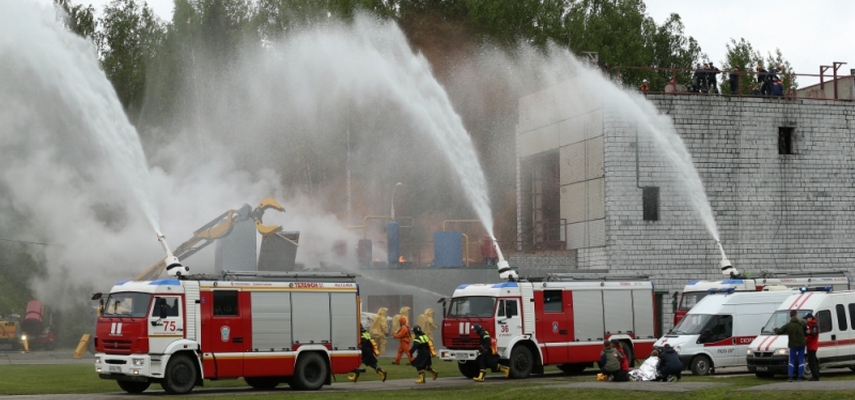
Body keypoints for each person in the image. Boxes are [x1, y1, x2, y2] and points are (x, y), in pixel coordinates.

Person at [774, 309, 807, 382]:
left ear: (790, 316)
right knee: (801, 360)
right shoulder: (802, 323)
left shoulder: (788, 325)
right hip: (801, 344)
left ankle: (790, 377)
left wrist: (775, 329)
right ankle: (800, 377)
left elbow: (780, 331)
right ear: (796, 315)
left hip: (792, 345)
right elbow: (806, 331)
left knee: (791, 360)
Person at [805, 313, 819, 381]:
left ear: (810, 318)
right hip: (810, 345)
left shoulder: (814, 325)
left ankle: (815, 376)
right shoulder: (810, 325)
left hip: (812, 346)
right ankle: (815, 375)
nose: (806, 320)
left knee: (812, 361)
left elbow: (814, 334)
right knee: (812, 361)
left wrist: (808, 333)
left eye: (806, 319)